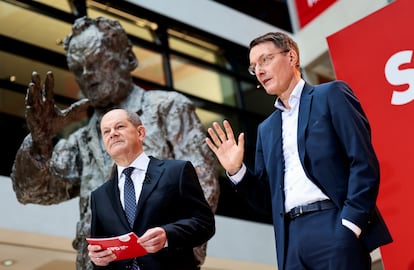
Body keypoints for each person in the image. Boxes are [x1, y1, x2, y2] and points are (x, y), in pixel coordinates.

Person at [11, 16, 219, 269]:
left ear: (128, 58)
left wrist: (174, 248)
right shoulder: (81, 139)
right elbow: (31, 192)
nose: (88, 74)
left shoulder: (167, 108)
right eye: (78, 68)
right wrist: (40, 141)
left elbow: (203, 184)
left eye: (97, 61)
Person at [205, 32, 392, 270]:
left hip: (334, 224)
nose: (259, 71)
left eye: (265, 59)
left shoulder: (331, 95)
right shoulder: (266, 129)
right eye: (254, 67)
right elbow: (267, 199)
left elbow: (362, 161)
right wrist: (236, 171)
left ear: (291, 57)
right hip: (291, 240)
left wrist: (351, 224)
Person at [87, 108, 215, 270]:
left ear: (140, 133)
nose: (112, 133)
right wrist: (98, 259)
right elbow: (101, 248)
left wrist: (167, 235)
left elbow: (204, 223)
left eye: (119, 127)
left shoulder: (176, 171)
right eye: (106, 131)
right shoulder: (99, 196)